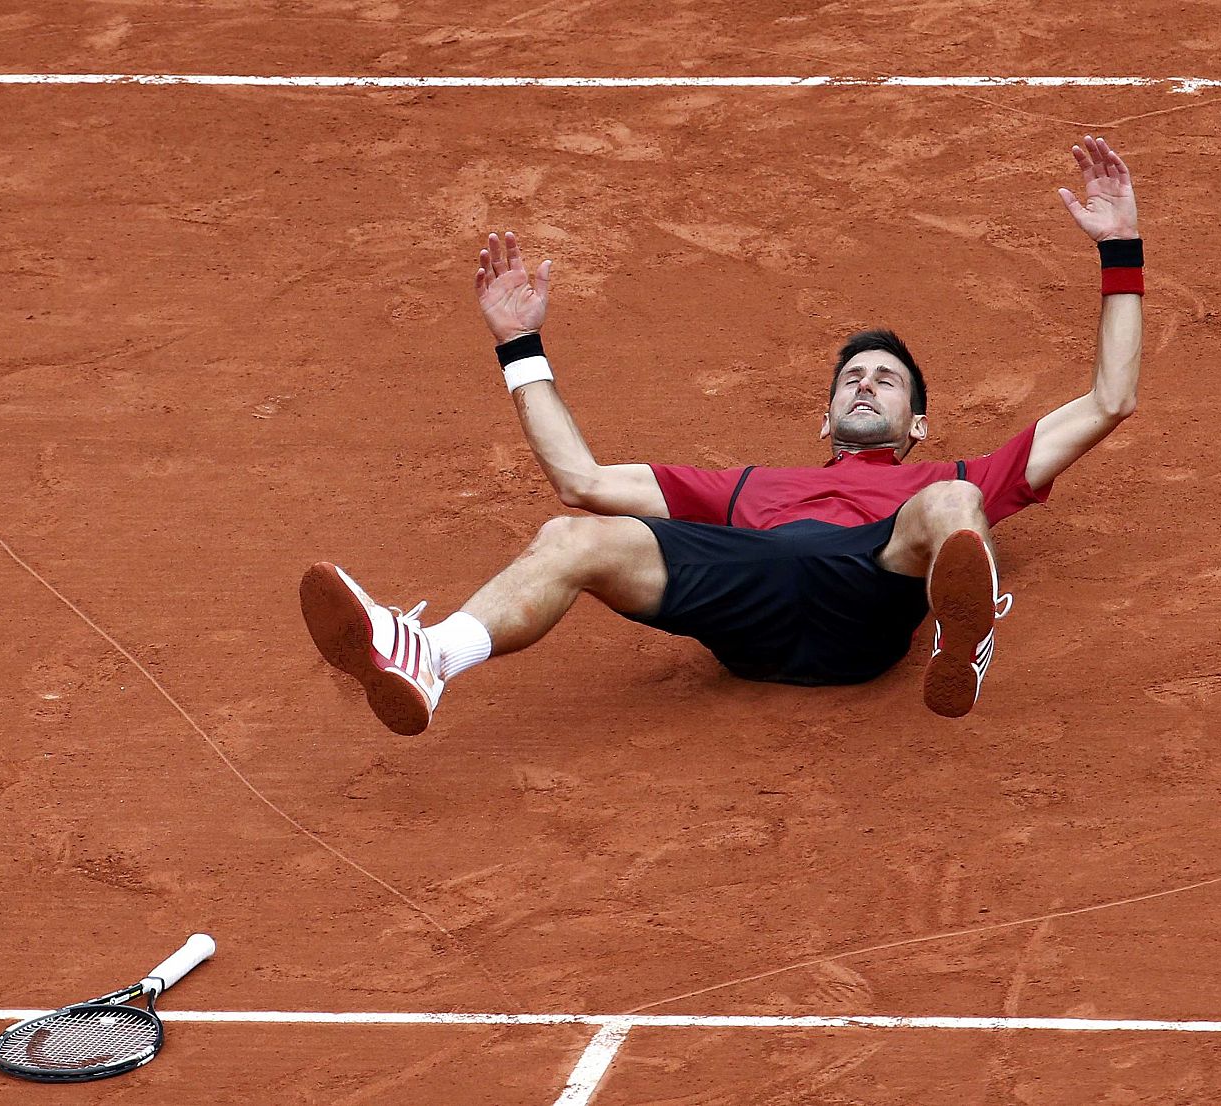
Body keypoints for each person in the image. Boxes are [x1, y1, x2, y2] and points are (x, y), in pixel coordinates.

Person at [301, 135, 1142, 735]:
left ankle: (963, 639)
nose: (865, 382)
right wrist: (518, 347)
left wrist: (1119, 248)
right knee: (571, 533)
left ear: (916, 422)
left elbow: (1109, 400)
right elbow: (582, 478)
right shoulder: (747, 490)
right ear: (824, 417)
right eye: (852, 375)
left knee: (954, 502)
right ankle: (432, 658)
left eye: (887, 380)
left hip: (870, 594)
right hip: (753, 601)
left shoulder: (954, 475)